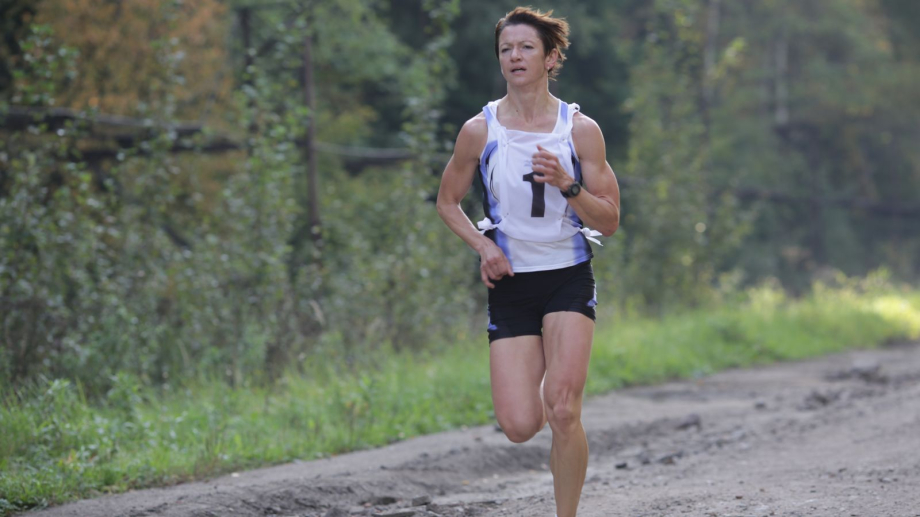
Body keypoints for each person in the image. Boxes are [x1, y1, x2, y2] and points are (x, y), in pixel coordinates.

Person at [436, 6, 620, 517]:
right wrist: (484, 246)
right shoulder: (479, 130)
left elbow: (609, 220)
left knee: (562, 409)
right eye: (506, 49)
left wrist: (569, 184)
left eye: (526, 48)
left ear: (550, 58)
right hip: (512, 282)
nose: (514, 56)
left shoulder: (579, 130)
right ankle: (547, 378)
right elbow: (447, 202)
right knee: (519, 425)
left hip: (567, 276)